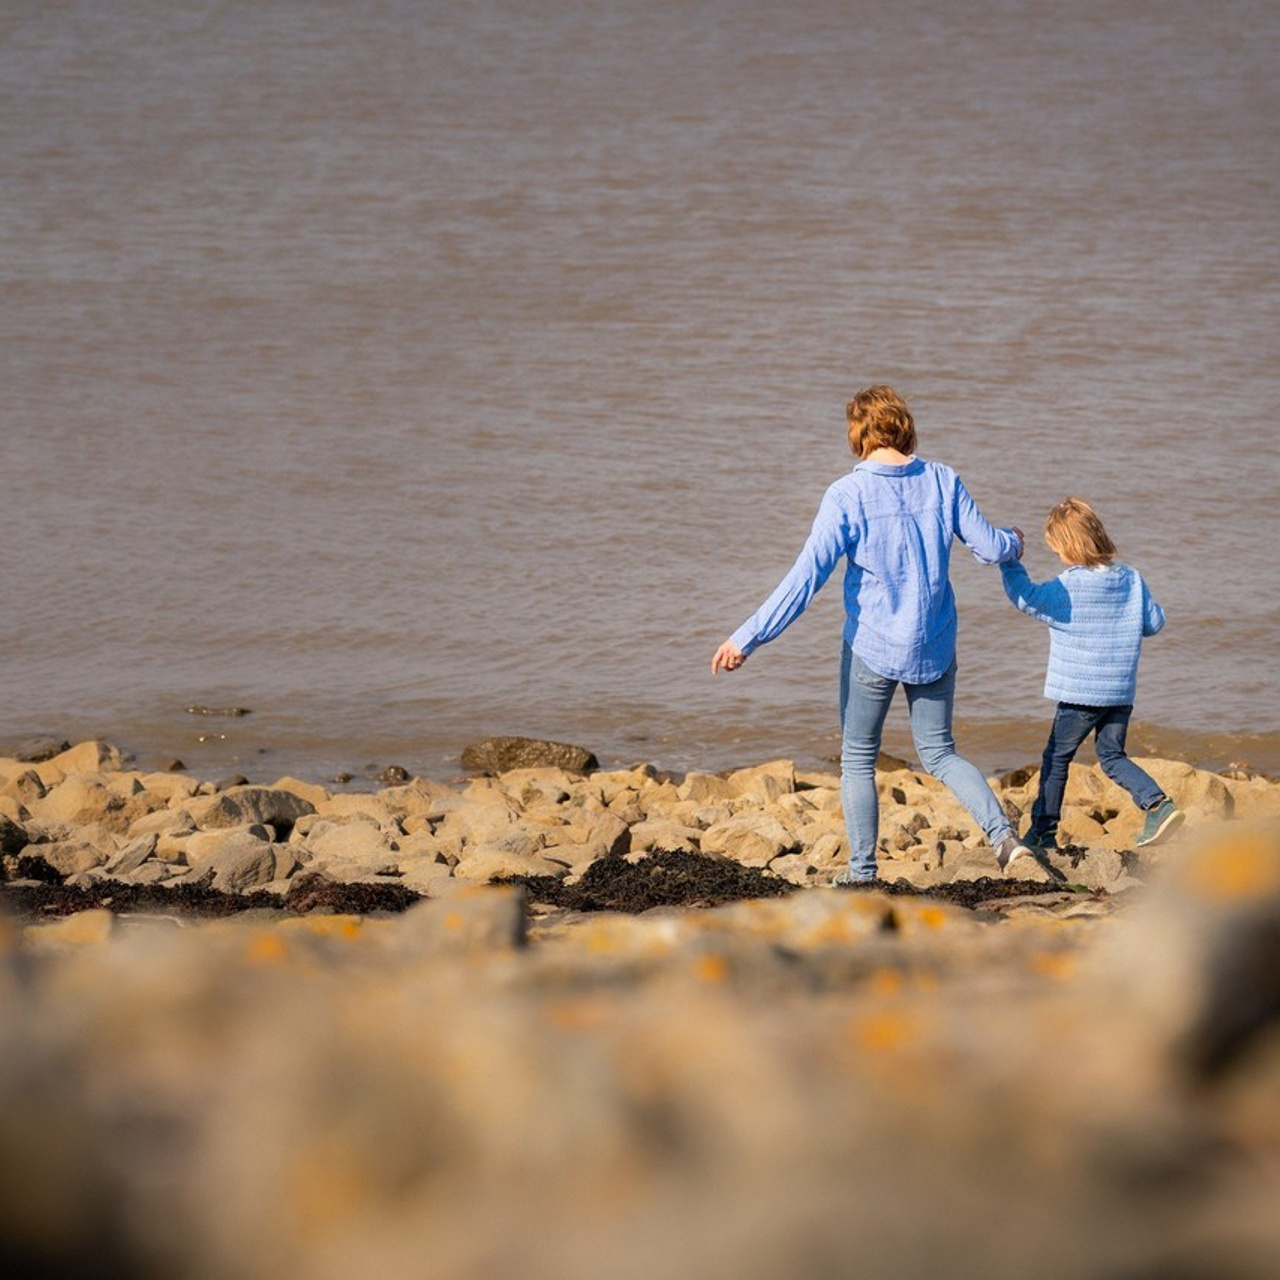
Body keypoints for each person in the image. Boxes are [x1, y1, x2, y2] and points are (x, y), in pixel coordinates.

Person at [712, 385, 1032, 884]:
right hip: (934, 644)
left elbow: (805, 579)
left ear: (858, 435)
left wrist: (747, 639)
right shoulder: (943, 481)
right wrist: (1016, 542)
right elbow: (990, 549)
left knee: (858, 759)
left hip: (874, 648)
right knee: (942, 753)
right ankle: (1005, 840)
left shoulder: (847, 494)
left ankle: (862, 872)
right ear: (904, 427)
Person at [1000, 497, 1183, 851]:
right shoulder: (1130, 578)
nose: (1058, 557)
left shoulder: (1068, 586)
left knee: (1056, 758)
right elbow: (1154, 622)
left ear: (1068, 547)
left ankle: (1043, 830)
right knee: (1112, 757)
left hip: (1081, 694)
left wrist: (1009, 563)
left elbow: (1026, 599)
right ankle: (1158, 805)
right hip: (1119, 693)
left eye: (1057, 550)